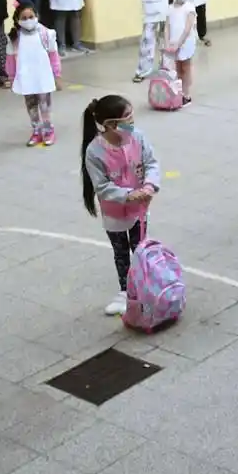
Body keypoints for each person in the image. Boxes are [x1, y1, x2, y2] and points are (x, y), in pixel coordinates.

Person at [80, 94, 161, 316]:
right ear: (111, 125)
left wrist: (150, 186)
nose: (132, 122)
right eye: (127, 118)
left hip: (140, 209)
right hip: (114, 211)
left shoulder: (138, 138)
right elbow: (102, 186)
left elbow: (151, 163)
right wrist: (128, 195)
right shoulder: (94, 151)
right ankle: (125, 291)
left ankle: (144, 289)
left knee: (140, 249)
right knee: (121, 252)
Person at [5, 3, 62, 146]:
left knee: (44, 104)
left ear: (37, 16)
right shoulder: (14, 37)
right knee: (31, 105)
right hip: (26, 76)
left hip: (42, 75)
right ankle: (36, 130)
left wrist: (57, 75)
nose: (28, 20)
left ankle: (49, 130)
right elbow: (10, 59)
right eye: (24, 18)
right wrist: (11, 77)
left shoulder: (46, 34)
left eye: (31, 17)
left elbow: (53, 55)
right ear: (18, 19)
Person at [163, 0, 198, 105]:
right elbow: (167, 26)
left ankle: (186, 94)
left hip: (186, 42)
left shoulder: (189, 7)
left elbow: (188, 28)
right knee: (177, 68)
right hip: (173, 42)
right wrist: (167, 42)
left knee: (186, 67)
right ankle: (178, 91)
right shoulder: (170, 8)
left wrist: (179, 43)